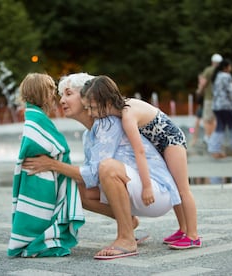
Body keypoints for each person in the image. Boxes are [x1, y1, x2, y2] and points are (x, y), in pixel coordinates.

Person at [23, 73, 182, 260]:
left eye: (68, 93)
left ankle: (126, 239)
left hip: (156, 192)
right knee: (77, 190)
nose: (62, 100)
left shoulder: (109, 123)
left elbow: (95, 172)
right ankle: (128, 222)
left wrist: (52, 164)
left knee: (108, 168)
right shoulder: (88, 135)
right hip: (137, 190)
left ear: (86, 97)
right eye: (61, 95)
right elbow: (89, 179)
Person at [80, 75, 201, 249]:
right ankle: (183, 229)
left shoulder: (127, 114)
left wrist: (146, 187)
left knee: (182, 189)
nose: (90, 113)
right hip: (157, 142)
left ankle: (193, 235)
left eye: (92, 107)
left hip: (170, 141)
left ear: (105, 101)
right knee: (174, 185)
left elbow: (140, 151)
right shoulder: (117, 112)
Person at [7, 73, 85, 258]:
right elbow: (44, 143)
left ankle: (30, 239)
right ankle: (36, 242)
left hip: (40, 171)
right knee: (39, 212)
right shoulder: (36, 118)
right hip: (39, 175)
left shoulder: (35, 116)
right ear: (42, 93)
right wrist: (59, 153)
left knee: (37, 212)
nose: (54, 96)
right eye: (51, 91)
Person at [207, 59, 232, 159]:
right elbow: (231, 91)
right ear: (225, 67)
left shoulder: (216, 76)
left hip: (216, 106)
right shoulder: (226, 76)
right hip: (226, 106)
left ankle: (214, 150)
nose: (231, 68)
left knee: (220, 127)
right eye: (230, 66)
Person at [196, 53, 223, 144]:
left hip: (209, 98)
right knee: (215, 119)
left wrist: (199, 91)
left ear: (212, 62)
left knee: (207, 119)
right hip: (220, 99)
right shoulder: (223, 71)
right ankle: (214, 137)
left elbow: (203, 82)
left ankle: (208, 137)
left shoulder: (209, 70)